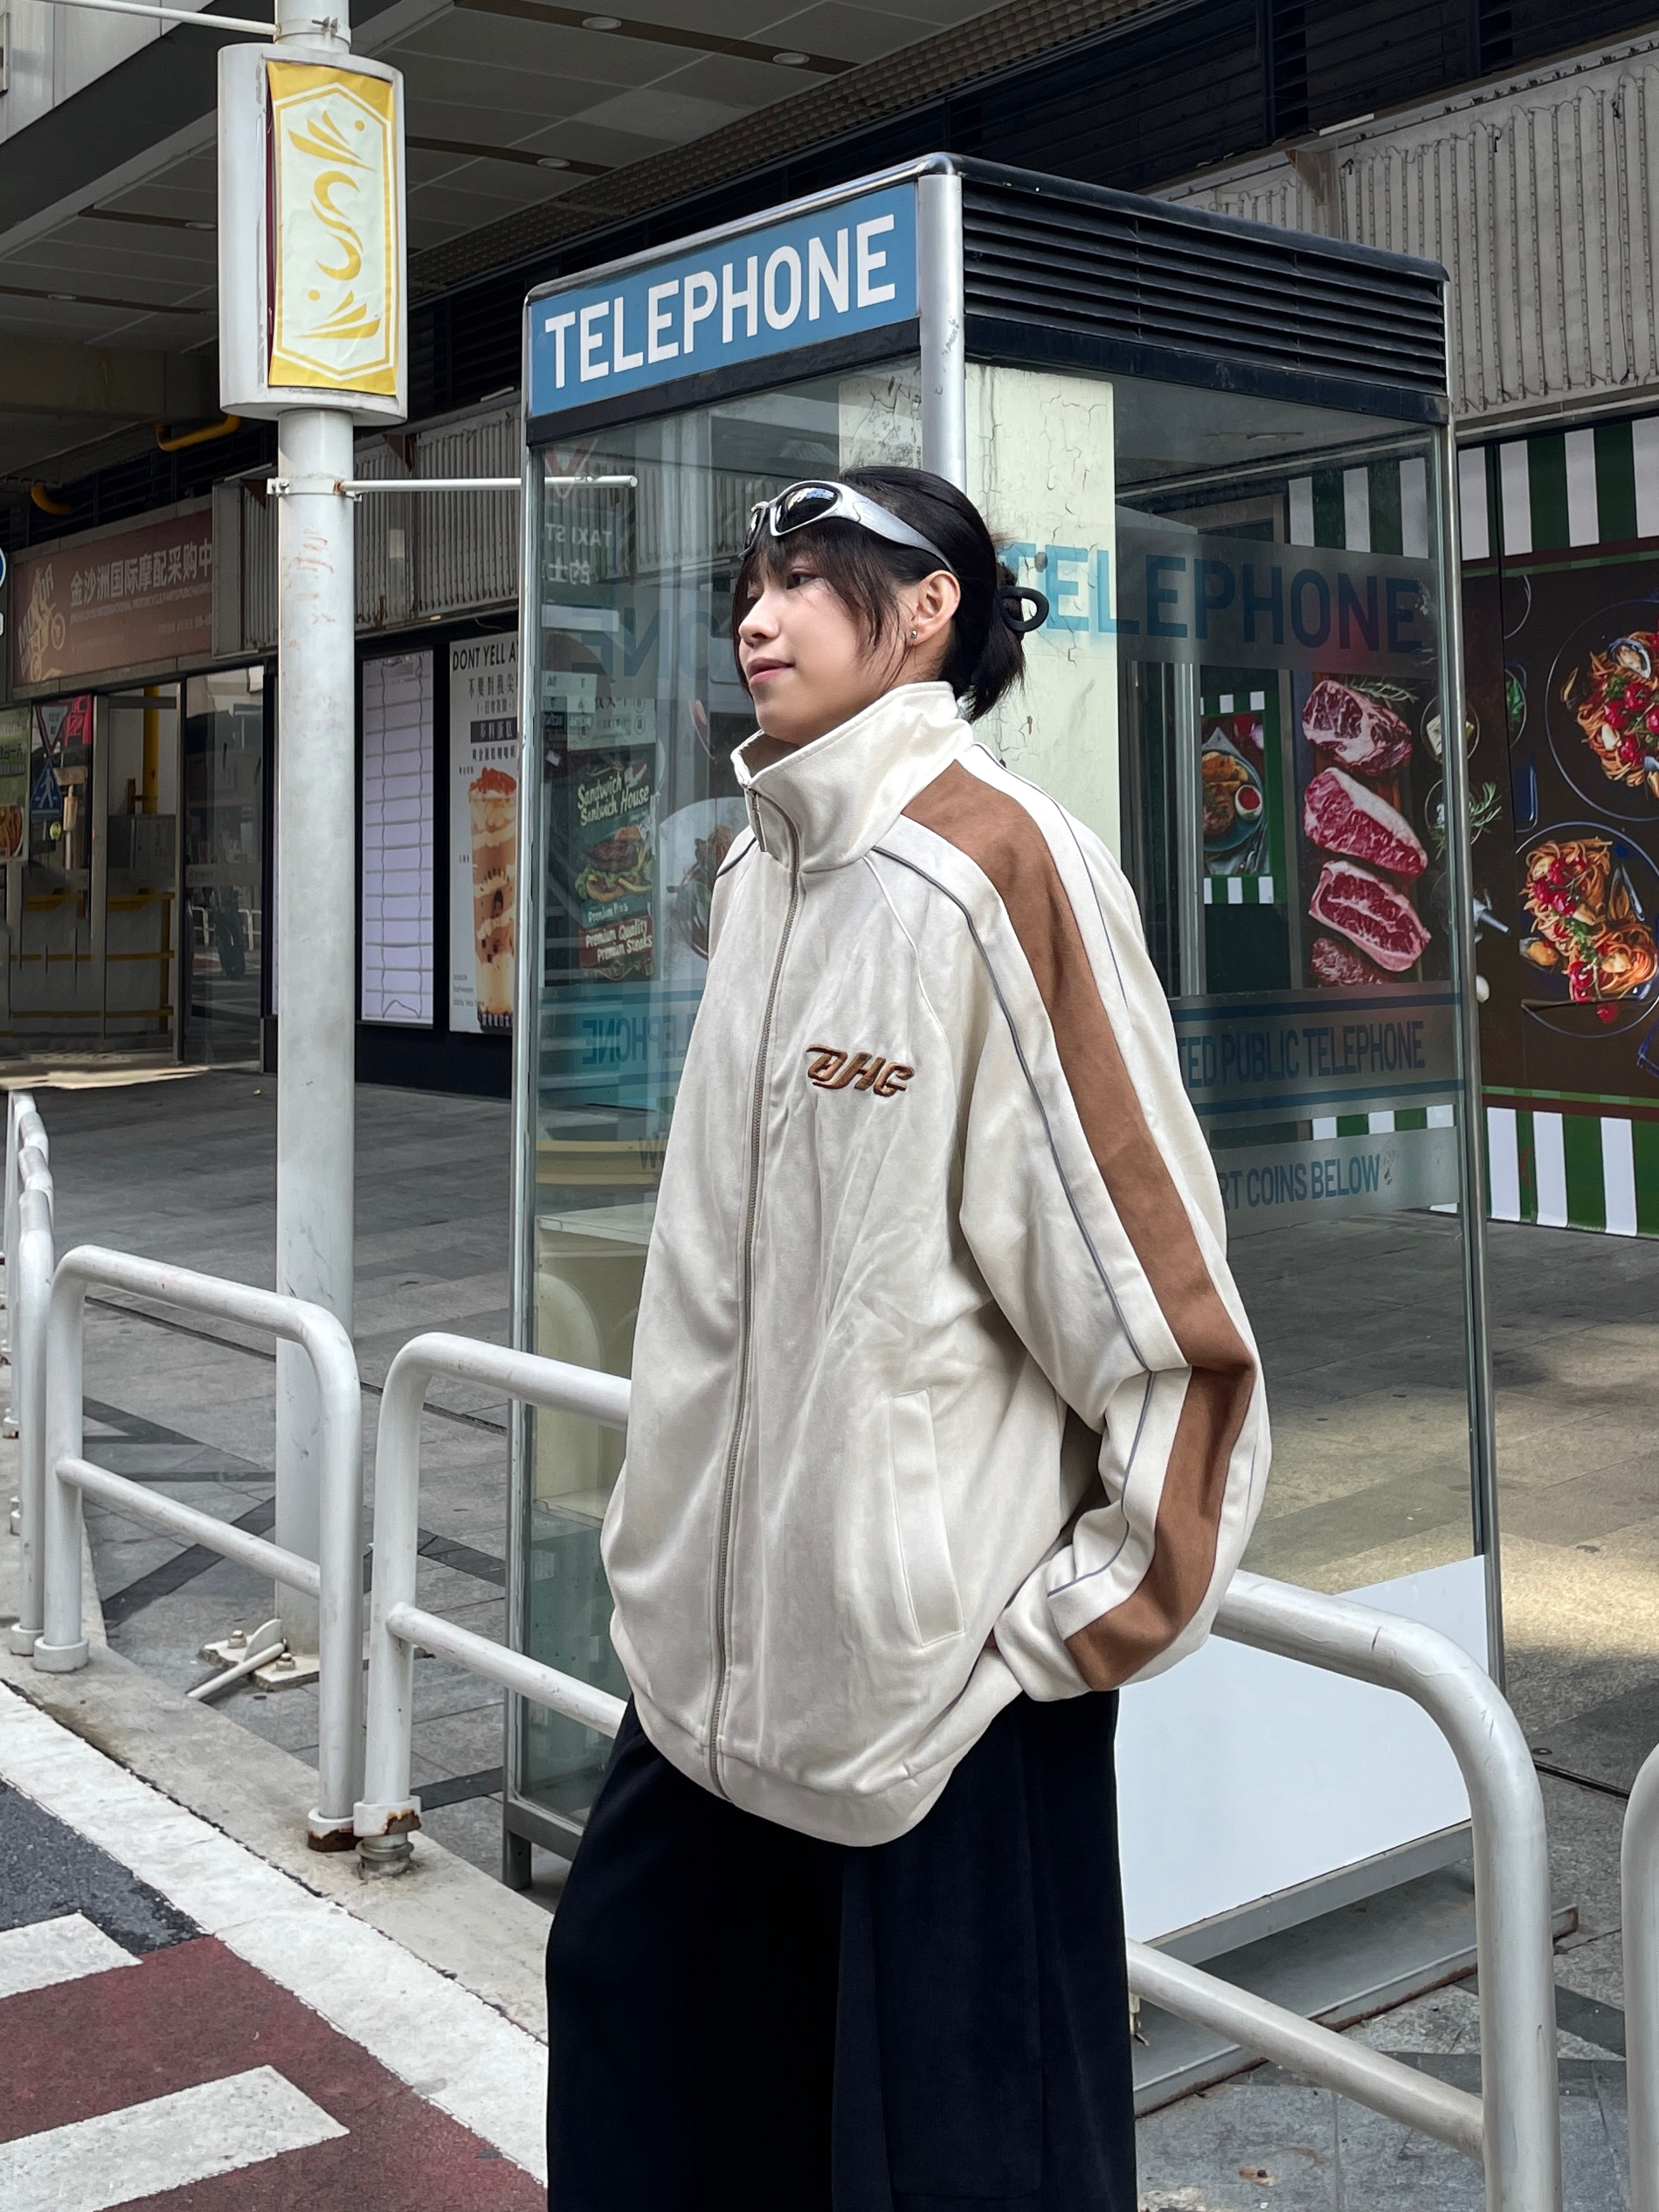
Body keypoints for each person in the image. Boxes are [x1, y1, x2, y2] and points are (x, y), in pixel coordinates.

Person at [546, 466, 1270, 2210]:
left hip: (931, 1716)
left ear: (929, 608)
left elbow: (1165, 1317)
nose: (758, 616)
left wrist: (1056, 1641)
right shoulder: (754, 869)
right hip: (707, 1686)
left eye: (807, 580)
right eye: (751, 584)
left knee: (937, 2164)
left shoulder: (996, 868)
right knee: (645, 2071)